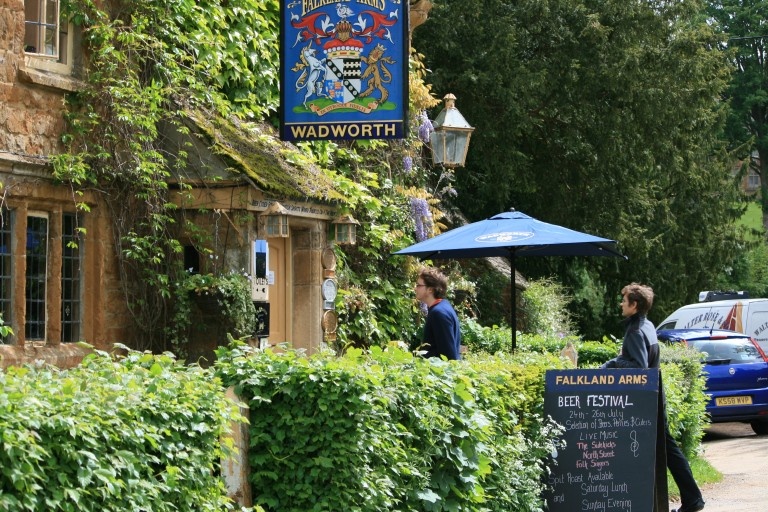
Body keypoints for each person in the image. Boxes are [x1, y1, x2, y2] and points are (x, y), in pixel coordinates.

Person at [602, 283, 705, 512]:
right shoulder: (647, 325)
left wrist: (613, 363)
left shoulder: (636, 330)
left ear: (634, 304)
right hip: (655, 397)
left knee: (667, 449)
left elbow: (639, 368)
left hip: (645, 402)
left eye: (624, 300)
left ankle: (692, 499)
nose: (621, 303)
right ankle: (691, 499)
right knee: (668, 449)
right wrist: (612, 363)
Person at [414, 267, 461, 360]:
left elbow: (449, 357)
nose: (415, 288)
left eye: (418, 285)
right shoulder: (442, 306)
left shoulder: (439, 313)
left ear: (430, 289)